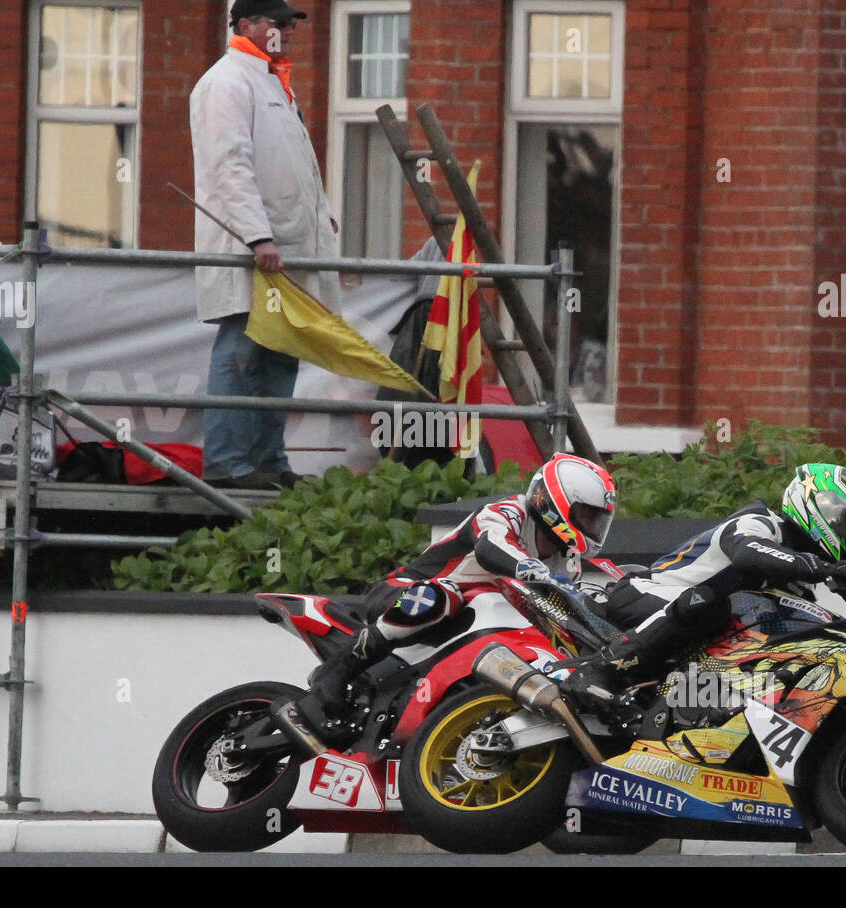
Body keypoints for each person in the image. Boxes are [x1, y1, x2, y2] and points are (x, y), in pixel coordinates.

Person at [299, 453, 617, 722]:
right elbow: (489, 548)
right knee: (441, 596)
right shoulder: (509, 512)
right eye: (587, 516)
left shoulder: (568, 561)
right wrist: (527, 567)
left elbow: (560, 610)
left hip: (465, 622)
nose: (592, 527)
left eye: (596, 520)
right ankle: (340, 668)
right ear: (556, 501)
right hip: (404, 592)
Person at [564, 462, 846, 705]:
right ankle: (600, 670)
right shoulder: (761, 523)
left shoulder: (799, 585)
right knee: (710, 603)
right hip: (646, 594)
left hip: (685, 634)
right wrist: (824, 568)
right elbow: (747, 554)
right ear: (820, 506)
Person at [190, 0, 340, 490]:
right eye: (277, 24)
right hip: (253, 250)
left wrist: (318, 220)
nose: (287, 32)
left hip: (281, 248)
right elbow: (228, 167)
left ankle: (268, 462)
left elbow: (288, 167)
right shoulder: (227, 82)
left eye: (290, 25)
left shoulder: (272, 82)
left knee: (278, 352)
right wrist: (257, 235)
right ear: (245, 24)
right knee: (243, 350)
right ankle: (230, 465)